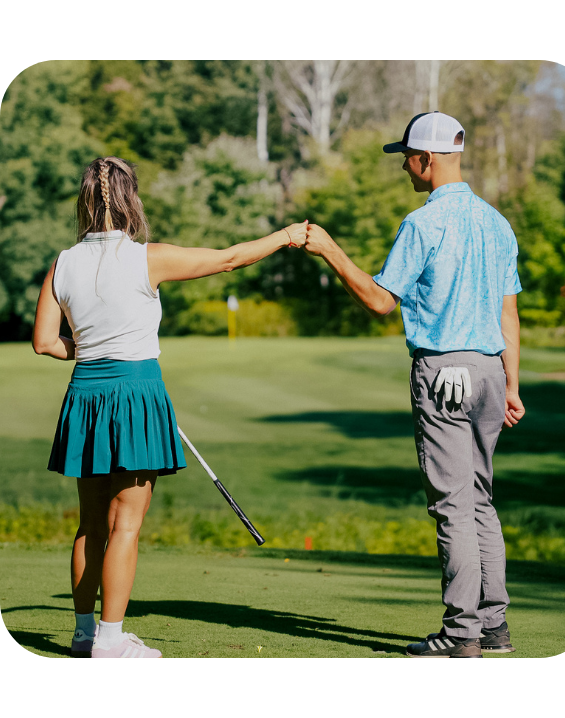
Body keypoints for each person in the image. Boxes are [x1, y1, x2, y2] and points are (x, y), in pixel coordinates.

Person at [32, 156, 308, 659]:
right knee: (126, 524)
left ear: (85, 201)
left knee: (90, 524)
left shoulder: (63, 262)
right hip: (136, 391)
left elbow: (45, 342)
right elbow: (229, 259)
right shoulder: (148, 257)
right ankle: (111, 642)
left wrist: (93, 347)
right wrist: (285, 236)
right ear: (131, 199)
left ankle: (85, 635)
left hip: (85, 393)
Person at [304, 112, 525, 659]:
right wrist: (512, 385)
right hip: (491, 372)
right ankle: (493, 627)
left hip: (444, 372)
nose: (404, 167)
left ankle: (461, 635)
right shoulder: (498, 223)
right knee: (480, 501)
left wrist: (330, 249)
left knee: (453, 507)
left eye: (407, 157)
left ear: (426, 159)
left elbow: (381, 300)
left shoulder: (422, 223)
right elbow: (509, 315)